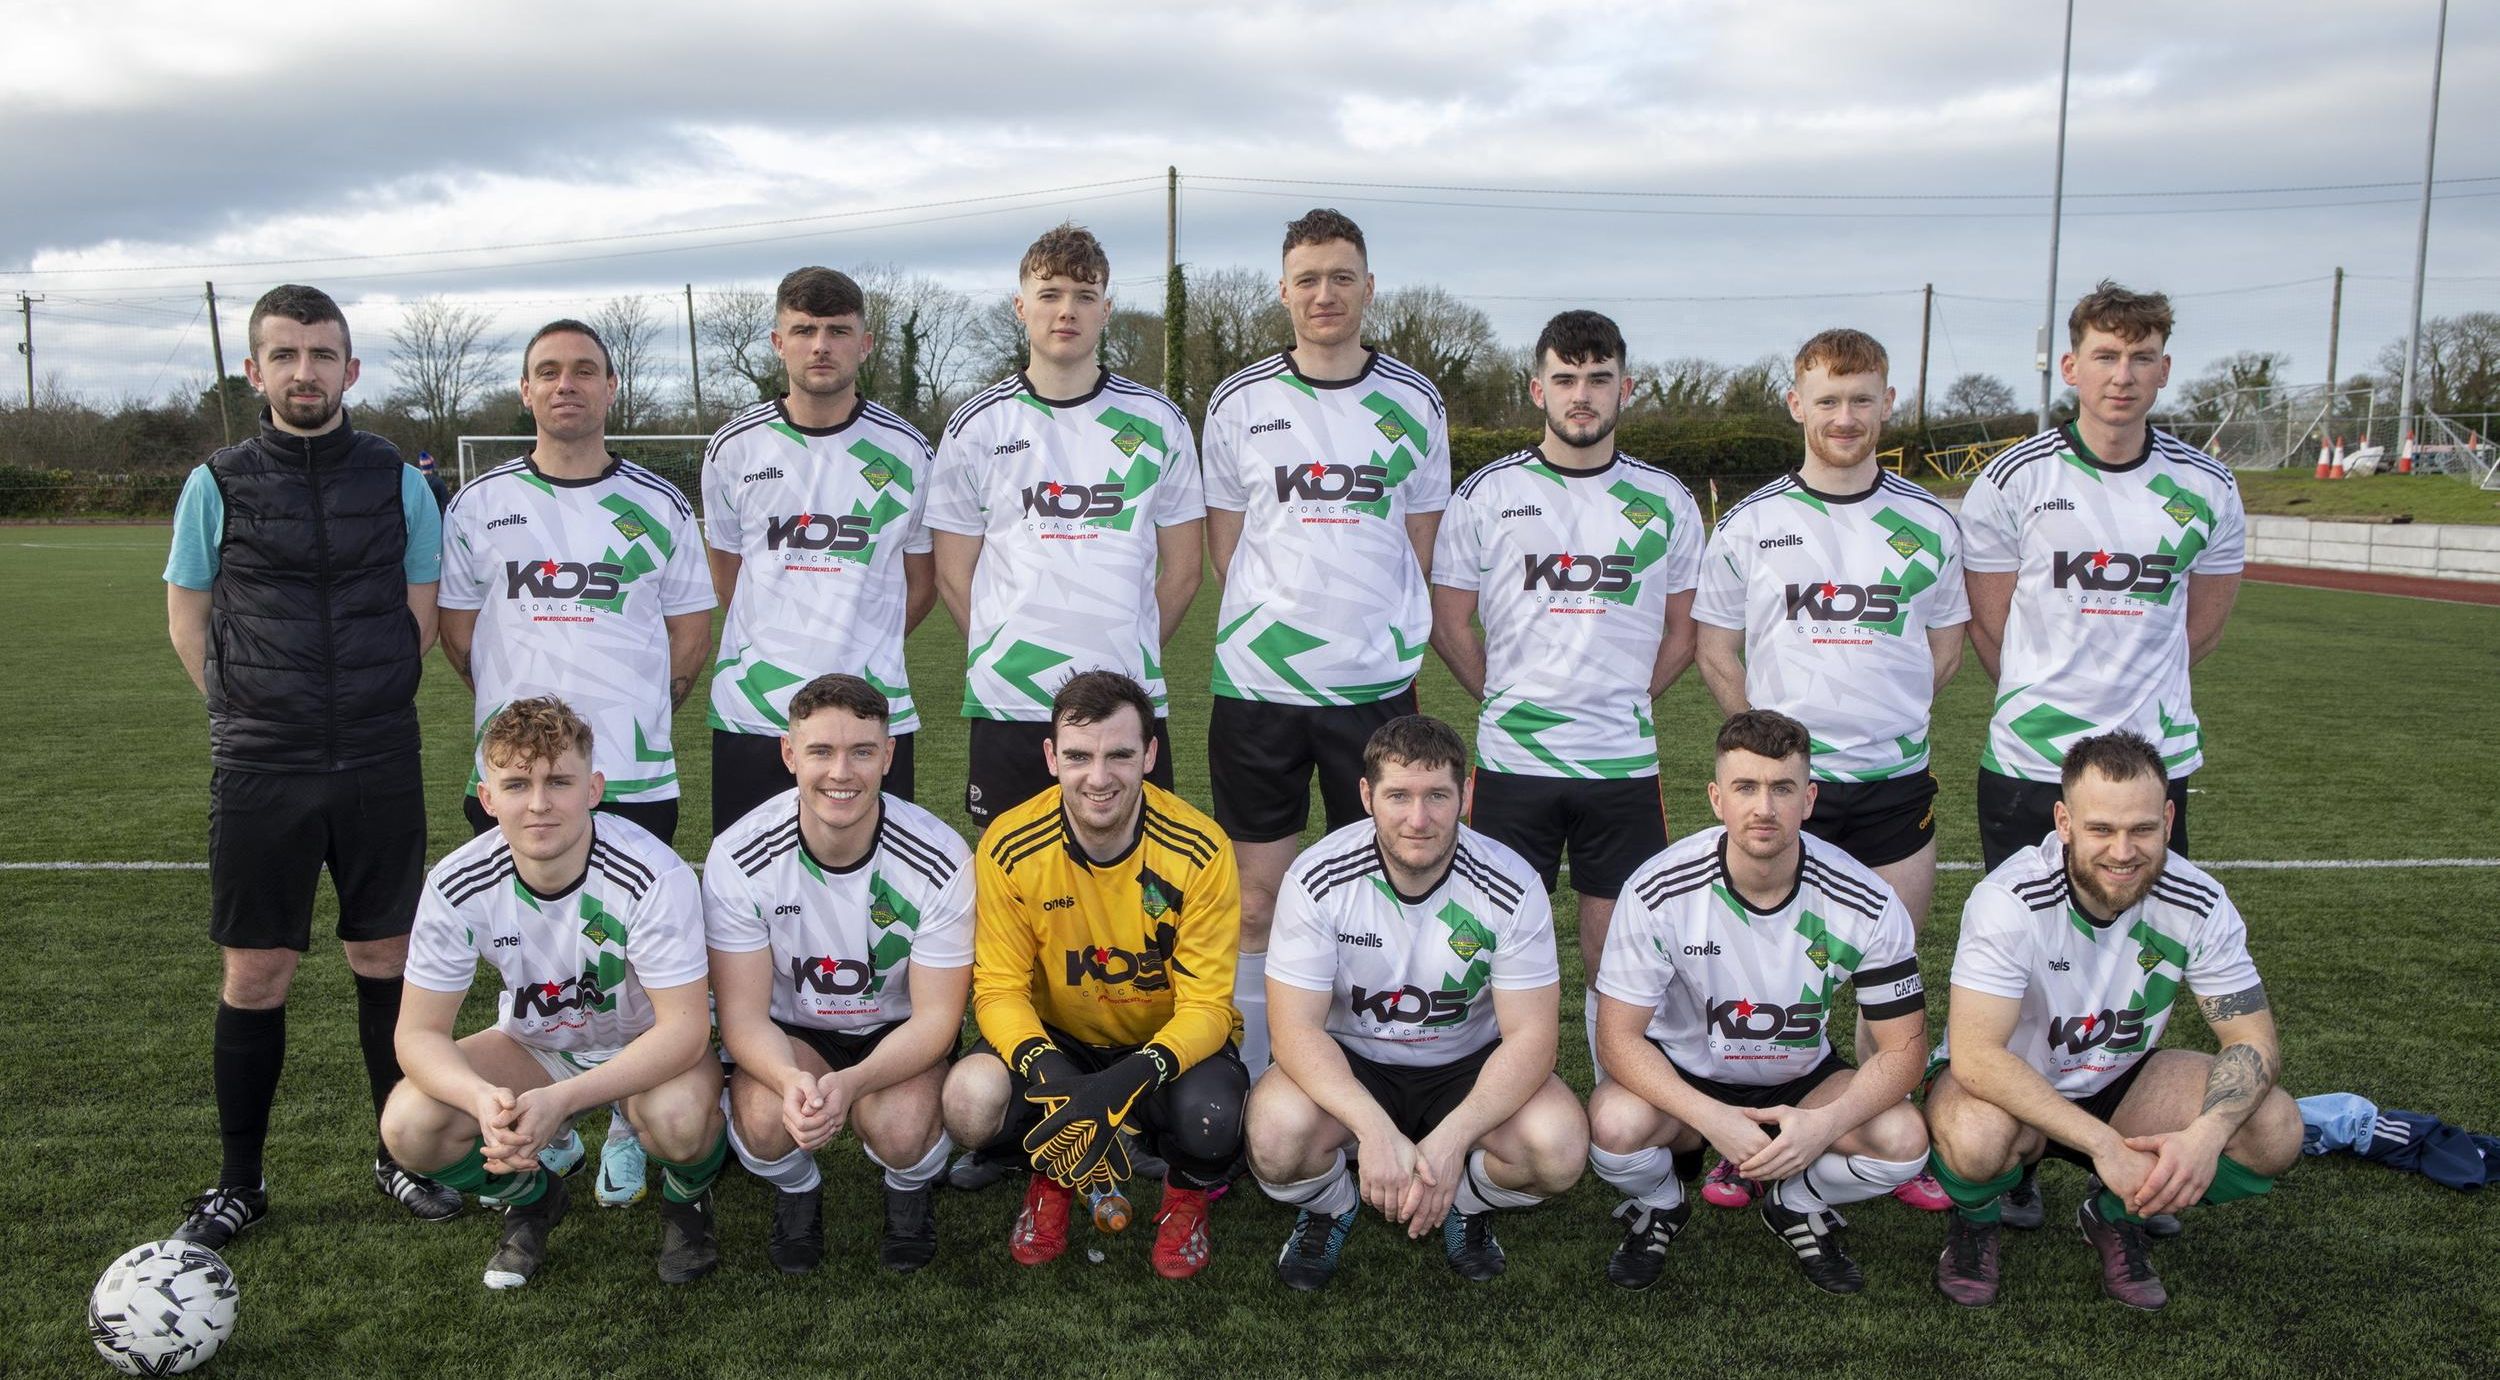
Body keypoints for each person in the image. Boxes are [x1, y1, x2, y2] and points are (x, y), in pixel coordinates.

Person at [162, 283, 461, 1248]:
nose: (304, 371)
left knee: (387, 958)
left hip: (376, 754)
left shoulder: (396, 477)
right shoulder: (217, 480)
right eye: (284, 355)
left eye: (322, 354)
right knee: (257, 972)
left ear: (350, 369)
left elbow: (420, 610)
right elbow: (188, 617)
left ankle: (398, 1158)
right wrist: (253, 708)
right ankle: (239, 1182)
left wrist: (361, 697)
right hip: (262, 764)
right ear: (254, 371)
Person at [1960, 281, 2246, 1228]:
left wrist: (2131, 733)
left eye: (2142, 357)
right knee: (2030, 968)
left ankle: (2136, 1152)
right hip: (2028, 763)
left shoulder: (2207, 488)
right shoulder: (2012, 480)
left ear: (2164, 369)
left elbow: (2199, 626)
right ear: (2070, 366)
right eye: (2105, 356)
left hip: (2152, 767)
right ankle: (2026, 1156)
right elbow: (1993, 628)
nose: (2122, 376)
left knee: (2134, 956)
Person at [437, 317, 716, 1206]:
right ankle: (539, 1121)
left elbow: (689, 632)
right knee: (534, 956)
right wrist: (518, 737)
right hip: (522, 787)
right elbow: (457, 631)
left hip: (631, 775)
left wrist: (639, 714)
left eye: (585, 371)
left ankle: (632, 1125)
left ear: (610, 389)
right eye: (548, 372)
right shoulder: (478, 507)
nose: (567, 385)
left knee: (633, 974)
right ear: (525, 391)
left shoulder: (659, 504)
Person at [1691, 327, 1966, 1213]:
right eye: (1827, 399)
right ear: (1796, 404)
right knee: (1765, 976)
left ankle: (1873, 1124)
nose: (1844, 417)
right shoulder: (1754, 522)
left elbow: (1947, 646)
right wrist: (1764, 744)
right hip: (1784, 793)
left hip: (1892, 785)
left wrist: (1886, 719)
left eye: (1861, 400)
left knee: (1886, 968)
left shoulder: (1928, 522)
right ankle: (1752, 1138)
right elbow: (1713, 645)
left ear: (1888, 405)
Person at [1200, 208, 1450, 1078]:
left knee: (1376, 892)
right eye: (1307, 278)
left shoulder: (1415, 401)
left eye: (1342, 276)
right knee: (1258, 902)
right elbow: (1227, 545)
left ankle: (1370, 1067)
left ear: (1369, 287)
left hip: (1374, 693)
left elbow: (1419, 545)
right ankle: (1259, 1076)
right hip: (1259, 690)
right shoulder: (1239, 401)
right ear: (1282, 292)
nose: (1325, 293)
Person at [1926, 731, 2299, 1310]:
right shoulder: (2010, 898)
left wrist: (2207, 1135)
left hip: (2117, 1079)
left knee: (2273, 1127)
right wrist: (2104, 1146)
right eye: (2101, 828)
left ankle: (2113, 1213)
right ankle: (1977, 1217)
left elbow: (2252, 1039)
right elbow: (1976, 1056)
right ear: (2064, 822)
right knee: (1977, 1139)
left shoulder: (2198, 900)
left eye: (2142, 829)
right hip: (2009, 1086)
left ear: (2169, 818)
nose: (2123, 851)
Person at [1431, 309, 1703, 1073]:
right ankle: (1489, 1100)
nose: (1581, 395)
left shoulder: (1667, 501)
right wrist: (1505, 697)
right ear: (1537, 388)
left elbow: (1685, 632)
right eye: (1565, 379)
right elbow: (1448, 621)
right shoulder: (1487, 494)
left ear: (1627, 388)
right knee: (1487, 940)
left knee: (1615, 951)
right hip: (1514, 761)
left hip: (1620, 764)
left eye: (1598, 379)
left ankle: (1617, 1103)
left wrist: (1623, 700)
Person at [380, 697, 728, 1289]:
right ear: (488, 799)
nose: (539, 803)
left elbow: (685, 1029)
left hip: (646, 1048)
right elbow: (417, 1033)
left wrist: (563, 1101)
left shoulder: (652, 874)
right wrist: (482, 1098)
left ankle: (686, 1201)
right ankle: (535, 1198)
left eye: (558, 781)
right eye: (517, 784)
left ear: (593, 788)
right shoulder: (457, 882)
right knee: (411, 1124)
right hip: (536, 1046)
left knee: (680, 1118)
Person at [1588, 710, 1931, 1295]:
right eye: (1746, 788)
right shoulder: (1659, 889)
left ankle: (1797, 1203)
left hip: (1802, 1082)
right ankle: (1662, 1202)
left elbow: (1905, 1050)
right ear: (1717, 798)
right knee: (1614, 1126)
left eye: (1782, 788)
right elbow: (1617, 1037)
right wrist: (1708, 1116)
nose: (1764, 808)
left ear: (1810, 798)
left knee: (1903, 1144)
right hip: (1688, 1078)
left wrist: (1824, 1125)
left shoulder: (1867, 900)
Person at [1247, 715, 1585, 1291]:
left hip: (1467, 1065)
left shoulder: (1512, 884)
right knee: (1275, 1138)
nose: (1418, 819)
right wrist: (1374, 1130)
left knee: (1558, 1148)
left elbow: (1531, 1038)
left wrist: (1454, 1141)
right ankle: (1334, 1204)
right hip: (1352, 1062)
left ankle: (1466, 1203)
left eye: (1437, 796)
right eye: (1398, 796)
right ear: (1366, 796)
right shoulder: (1319, 877)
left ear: (1466, 795)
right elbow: (1295, 1032)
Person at [938, 671, 1247, 1280]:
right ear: (1052, 757)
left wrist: (1132, 1075)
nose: (1098, 778)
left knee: (1213, 1118)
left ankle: (1185, 1200)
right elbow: (998, 990)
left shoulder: (1200, 849)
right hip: (1063, 1043)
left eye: (1120, 755)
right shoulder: (1007, 844)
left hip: (1162, 1046)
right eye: (1078, 755)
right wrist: (1051, 1071)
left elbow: (1209, 1006)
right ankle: (1051, 1177)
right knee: (970, 1100)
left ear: (1150, 756)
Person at [925, 223, 1203, 830]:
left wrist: (1128, 651)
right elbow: (952, 573)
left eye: (1084, 294)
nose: (1066, 310)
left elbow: (1183, 571)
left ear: (1107, 308)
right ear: (1021, 307)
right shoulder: (976, 426)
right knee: (1010, 882)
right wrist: (1003, 650)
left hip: (1126, 704)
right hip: (1010, 700)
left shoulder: (1158, 422)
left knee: (1138, 880)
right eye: (1049, 294)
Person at [704, 674, 970, 1276]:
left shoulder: (939, 856)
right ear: (789, 754)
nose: (841, 773)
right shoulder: (739, 855)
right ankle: (797, 1189)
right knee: (769, 1122)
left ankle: (907, 1187)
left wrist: (852, 1087)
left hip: (895, 1030)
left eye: (862, 752)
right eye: (821, 751)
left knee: (902, 1131)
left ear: (888, 756)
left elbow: (936, 1018)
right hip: (794, 1031)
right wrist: (785, 1076)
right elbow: (742, 1017)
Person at [701, 267, 937, 832]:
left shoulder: (908, 452)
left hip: (871, 715)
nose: (821, 345)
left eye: (837, 330)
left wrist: (860, 638)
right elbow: (728, 575)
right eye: (804, 331)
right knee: (747, 885)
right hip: (756, 714)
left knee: (875, 883)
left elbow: (924, 582)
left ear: (865, 343)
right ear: (779, 343)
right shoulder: (734, 448)